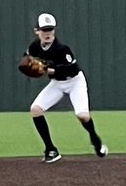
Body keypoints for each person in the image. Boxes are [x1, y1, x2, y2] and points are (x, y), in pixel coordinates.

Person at [24, 12, 107, 164]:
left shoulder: (62, 49)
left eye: (50, 29)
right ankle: (51, 150)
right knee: (35, 110)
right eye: (44, 29)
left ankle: (95, 140)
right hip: (57, 84)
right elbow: (26, 60)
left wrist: (47, 70)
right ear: (37, 31)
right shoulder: (34, 47)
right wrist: (29, 67)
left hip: (75, 82)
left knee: (82, 116)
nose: (47, 33)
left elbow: (72, 70)